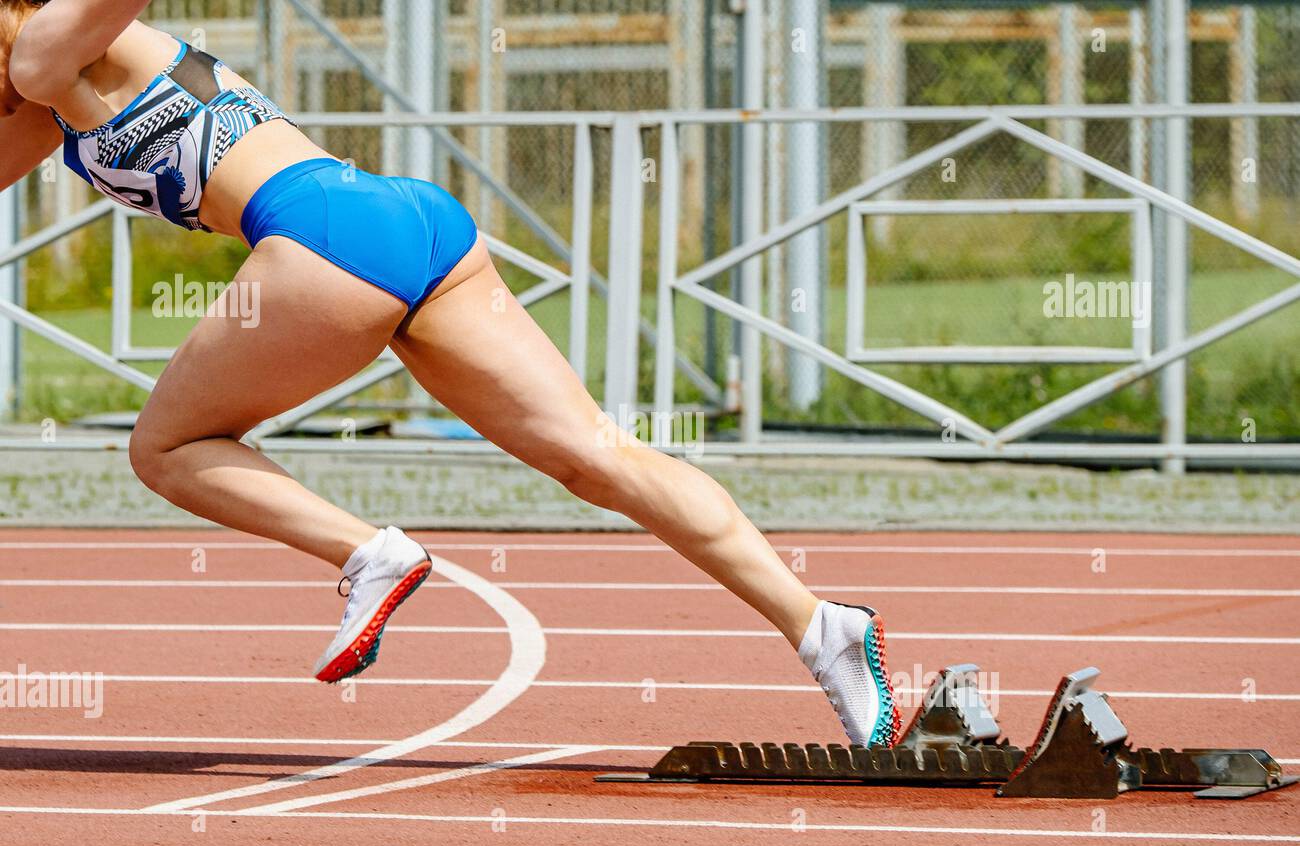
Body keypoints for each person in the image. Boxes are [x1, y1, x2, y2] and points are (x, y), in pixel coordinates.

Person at [0, 0, 900, 746]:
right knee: (597, 457)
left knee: (167, 448)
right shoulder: (57, 94)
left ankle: (369, 555)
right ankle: (823, 628)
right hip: (408, 219)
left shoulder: (46, 54)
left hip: (319, 235)